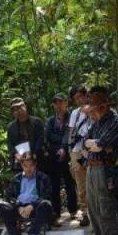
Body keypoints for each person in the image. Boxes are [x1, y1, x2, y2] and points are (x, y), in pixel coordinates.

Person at [83, 87, 118, 235]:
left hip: (106, 168)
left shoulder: (116, 121)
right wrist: (95, 144)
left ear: (103, 107)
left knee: (105, 208)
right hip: (92, 168)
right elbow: (86, 142)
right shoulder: (96, 123)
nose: (92, 113)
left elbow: (103, 143)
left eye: (94, 109)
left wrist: (97, 144)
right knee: (93, 208)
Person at [0, 152, 53, 235]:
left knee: (46, 204)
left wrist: (32, 206)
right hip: (20, 207)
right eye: (25, 166)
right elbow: (9, 196)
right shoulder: (16, 178)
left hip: (35, 208)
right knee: (0, 205)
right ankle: (15, 233)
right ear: (22, 166)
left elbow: (47, 195)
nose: (28, 169)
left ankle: (33, 233)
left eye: (31, 165)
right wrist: (18, 206)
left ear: (35, 165)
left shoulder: (43, 177)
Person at [44, 93, 78, 224]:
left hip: (68, 155)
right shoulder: (50, 120)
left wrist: (63, 145)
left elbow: (69, 135)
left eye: (61, 102)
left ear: (66, 103)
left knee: (70, 183)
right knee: (54, 185)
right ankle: (56, 212)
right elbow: (47, 136)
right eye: (56, 103)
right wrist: (58, 144)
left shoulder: (72, 118)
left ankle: (73, 210)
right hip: (53, 157)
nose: (59, 105)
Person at [67, 85, 91, 227]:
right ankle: (85, 212)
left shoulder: (93, 110)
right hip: (76, 151)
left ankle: (95, 211)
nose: (79, 100)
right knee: (81, 184)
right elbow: (71, 132)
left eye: (81, 96)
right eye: (76, 98)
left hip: (90, 149)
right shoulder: (75, 113)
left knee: (93, 181)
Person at [6, 97, 45, 171]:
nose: (18, 111)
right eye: (15, 109)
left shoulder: (36, 122)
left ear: (25, 106)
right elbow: (10, 144)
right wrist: (15, 154)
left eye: (20, 107)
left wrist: (34, 154)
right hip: (20, 161)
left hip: (37, 159)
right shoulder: (11, 127)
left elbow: (41, 139)